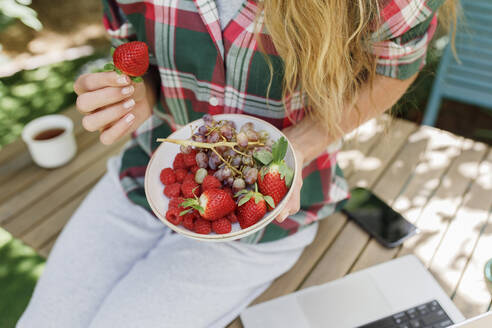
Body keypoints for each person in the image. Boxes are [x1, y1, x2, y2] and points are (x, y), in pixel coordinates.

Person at [18, 0, 456, 327]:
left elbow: (396, 65)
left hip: (267, 216)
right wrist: (134, 95)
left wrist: (300, 145)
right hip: (148, 172)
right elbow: (140, 57)